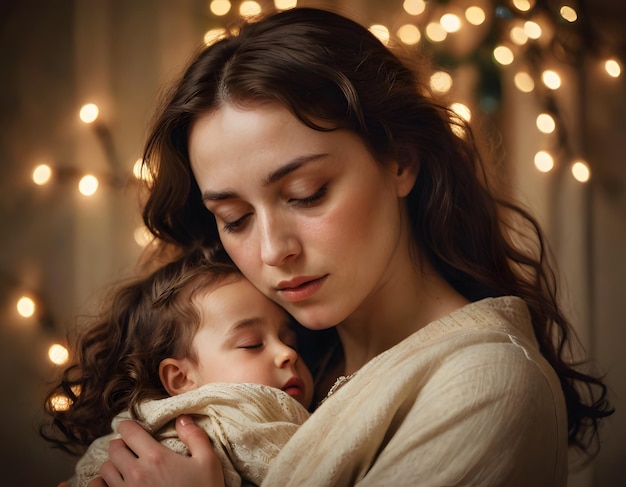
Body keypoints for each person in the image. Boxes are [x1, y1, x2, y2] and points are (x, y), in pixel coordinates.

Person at [92, 6, 613, 486]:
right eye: (236, 218)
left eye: (306, 194)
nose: (273, 251)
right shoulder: (275, 367)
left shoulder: (486, 384)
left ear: (400, 162)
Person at [40, 246, 313, 487]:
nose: (287, 352)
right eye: (252, 344)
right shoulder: (220, 428)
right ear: (181, 379)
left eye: (291, 341)